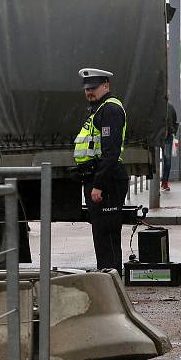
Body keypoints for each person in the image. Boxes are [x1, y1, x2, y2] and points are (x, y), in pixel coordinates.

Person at [73, 68, 128, 275]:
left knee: (107, 233)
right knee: (102, 233)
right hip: (100, 177)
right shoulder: (99, 109)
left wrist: (98, 185)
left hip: (107, 180)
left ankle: (111, 280)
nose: (89, 92)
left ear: (106, 85)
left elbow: (110, 152)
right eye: (87, 89)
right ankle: (107, 277)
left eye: (94, 88)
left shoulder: (110, 110)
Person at [161, 101, 179, 191]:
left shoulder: (170, 107)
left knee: (167, 160)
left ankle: (164, 182)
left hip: (167, 136)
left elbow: (175, 121)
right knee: (156, 160)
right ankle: (158, 182)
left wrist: (172, 131)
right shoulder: (155, 105)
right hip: (156, 136)